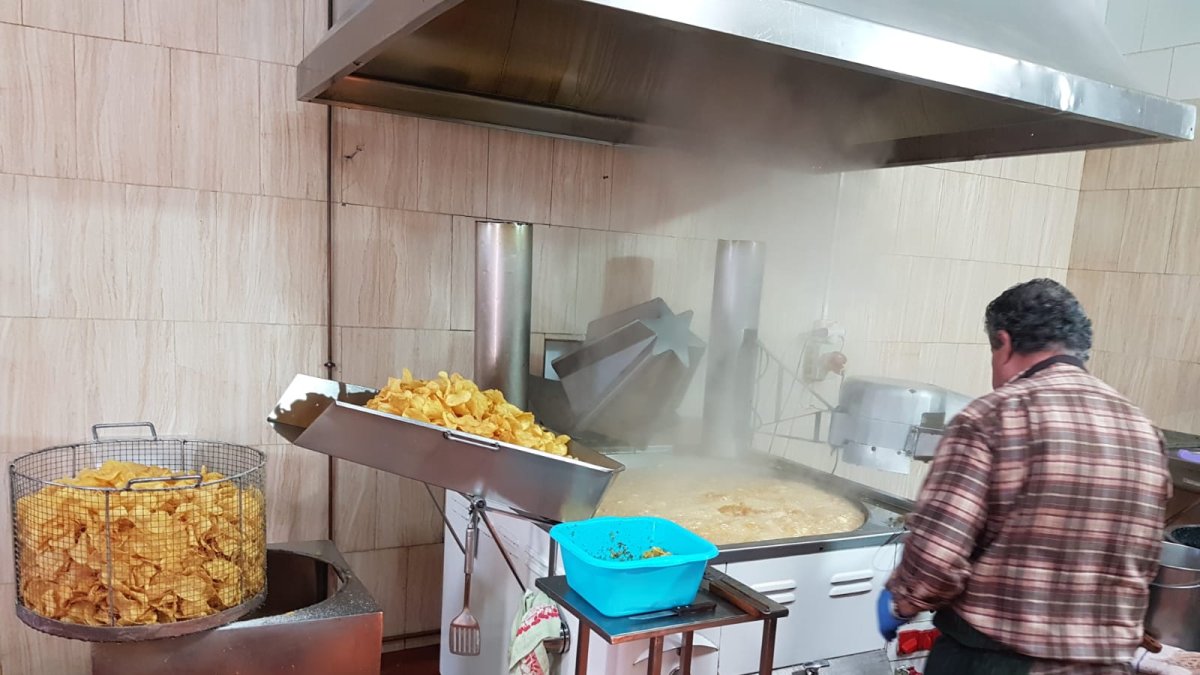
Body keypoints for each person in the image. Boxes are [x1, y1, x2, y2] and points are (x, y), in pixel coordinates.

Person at [876, 279, 1172, 675]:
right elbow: (1146, 558)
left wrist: (900, 602)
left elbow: (938, 558)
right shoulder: (1142, 428)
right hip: (1104, 663)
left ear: (1005, 342)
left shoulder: (992, 416)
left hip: (996, 661)